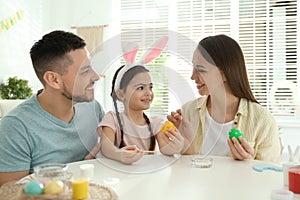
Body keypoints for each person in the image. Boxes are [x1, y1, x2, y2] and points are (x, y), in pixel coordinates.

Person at [0, 30, 105, 185]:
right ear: (53, 79)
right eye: (84, 71)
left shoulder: (93, 108)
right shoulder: (15, 128)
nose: (95, 76)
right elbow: (11, 194)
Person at [168, 34, 282, 162]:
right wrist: (179, 145)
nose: (193, 76)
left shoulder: (262, 120)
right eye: (193, 68)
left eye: (200, 69)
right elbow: (182, 170)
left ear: (224, 74)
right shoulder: (187, 112)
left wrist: (248, 163)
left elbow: (270, 175)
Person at [97, 38, 184, 164]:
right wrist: (119, 154)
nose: (148, 93)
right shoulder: (112, 119)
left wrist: (177, 146)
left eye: (150, 87)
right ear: (121, 94)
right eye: (140, 88)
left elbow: (166, 150)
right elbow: (106, 147)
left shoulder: (155, 123)